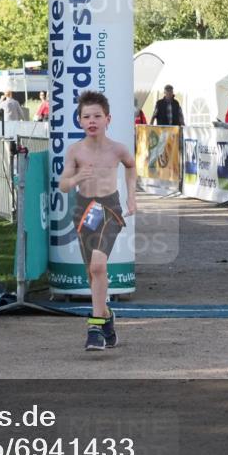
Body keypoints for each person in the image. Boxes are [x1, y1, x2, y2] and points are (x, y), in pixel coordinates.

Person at [58, 91, 136, 352]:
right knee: (92, 273)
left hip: (109, 208)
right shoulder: (75, 151)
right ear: (79, 121)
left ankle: (94, 328)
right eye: (86, 116)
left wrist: (131, 199)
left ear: (108, 119)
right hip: (84, 211)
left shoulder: (118, 149)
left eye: (97, 116)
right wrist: (78, 178)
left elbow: (131, 165)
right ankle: (107, 317)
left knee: (99, 265)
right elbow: (64, 185)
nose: (92, 121)